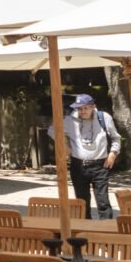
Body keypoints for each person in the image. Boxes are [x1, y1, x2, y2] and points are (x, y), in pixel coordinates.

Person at [49, 92, 121, 220]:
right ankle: (85, 233)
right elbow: (52, 130)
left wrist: (113, 153)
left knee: (103, 202)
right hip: (79, 165)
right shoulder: (70, 120)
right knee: (82, 203)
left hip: (100, 165)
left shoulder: (104, 117)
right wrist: (63, 145)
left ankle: (107, 232)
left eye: (85, 108)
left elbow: (116, 138)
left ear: (93, 106)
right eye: (79, 108)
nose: (82, 111)